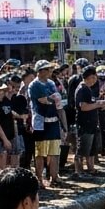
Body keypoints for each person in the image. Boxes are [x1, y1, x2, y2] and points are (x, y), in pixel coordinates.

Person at [28, 61, 67, 189]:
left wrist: (64, 125)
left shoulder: (51, 83)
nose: (50, 71)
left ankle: (54, 177)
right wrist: (54, 99)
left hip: (53, 120)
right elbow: (44, 100)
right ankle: (39, 178)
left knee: (54, 151)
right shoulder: (34, 85)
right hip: (41, 122)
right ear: (41, 71)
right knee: (40, 153)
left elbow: (58, 102)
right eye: (48, 69)